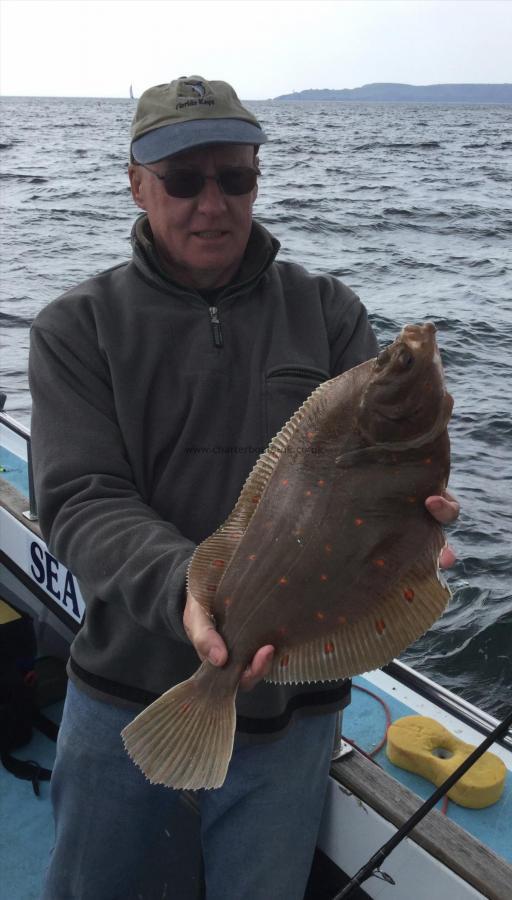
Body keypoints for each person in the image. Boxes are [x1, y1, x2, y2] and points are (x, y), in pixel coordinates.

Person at [29, 76, 459, 900]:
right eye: (184, 181)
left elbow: (372, 498)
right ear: (134, 182)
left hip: (294, 721)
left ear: (258, 175)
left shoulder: (330, 313)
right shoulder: (75, 329)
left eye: (236, 178)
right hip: (130, 696)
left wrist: (417, 533)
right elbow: (83, 499)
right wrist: (190, 594)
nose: (212, 203)